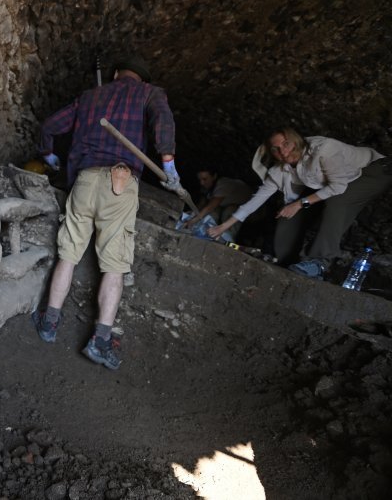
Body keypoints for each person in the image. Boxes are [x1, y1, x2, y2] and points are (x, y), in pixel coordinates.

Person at [32, 55, 179, 370]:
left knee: (68, 255)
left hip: (84, 180)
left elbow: (50, 126)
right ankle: (100, 341)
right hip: (121, 182)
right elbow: (163, 120)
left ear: (115, 74)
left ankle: (49, 322)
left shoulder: (89, 96)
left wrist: (48, 154)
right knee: (114, 266)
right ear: (143, 79)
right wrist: (167, 158)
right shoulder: (150, 94)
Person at [207, 128, 392, 279]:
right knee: (290, 211)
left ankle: (319, 262)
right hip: (341, 180)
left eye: (286, 144)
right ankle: (287, 260)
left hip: (375, 169)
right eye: (276, 149)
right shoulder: (282, 170)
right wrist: (223, 226)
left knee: (335, 201)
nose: (283, 152)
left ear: (295, 140)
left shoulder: (323, 150)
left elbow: (338, 187)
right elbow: (255, 201)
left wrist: (300, 203)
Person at [184, 166, 253, 238]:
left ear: (214, 176)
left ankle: (227, 238)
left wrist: (194, 220)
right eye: (200, 180)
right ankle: (208, 231)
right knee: (213, 212)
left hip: (252, 211)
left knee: (229, 211)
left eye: (205, 179)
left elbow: (210, 207)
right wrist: (192, 214)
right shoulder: (207, 185)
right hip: (229, 205)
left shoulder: (223, 184)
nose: (201, 183)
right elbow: (202, 203)